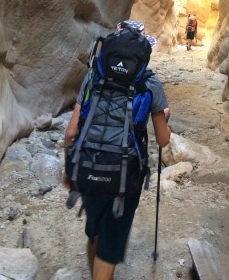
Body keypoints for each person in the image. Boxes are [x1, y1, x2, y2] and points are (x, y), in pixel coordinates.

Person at [63, 20, 171, 280]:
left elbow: (70, 131)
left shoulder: (93, 76)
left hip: (89, 165)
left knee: (95, 232)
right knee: (110, 245)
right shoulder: (150, 83)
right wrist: (164, 115)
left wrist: (69, 169)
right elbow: (163, 140)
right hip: (125, 176)